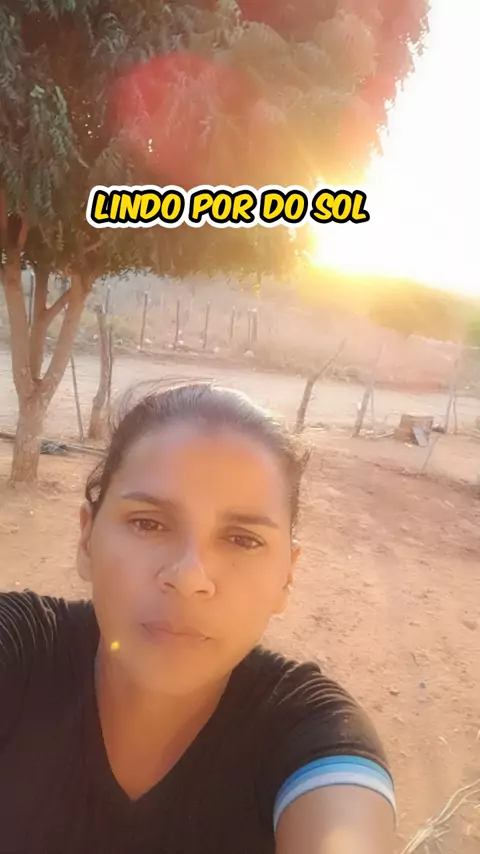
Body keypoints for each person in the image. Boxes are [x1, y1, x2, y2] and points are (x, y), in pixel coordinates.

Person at [0, 382, 395, 853]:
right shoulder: (20, 649)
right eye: (148, 523)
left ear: (286, 577)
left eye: (243, 539)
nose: (189, 577)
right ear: (87, 540)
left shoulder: (311, 737)